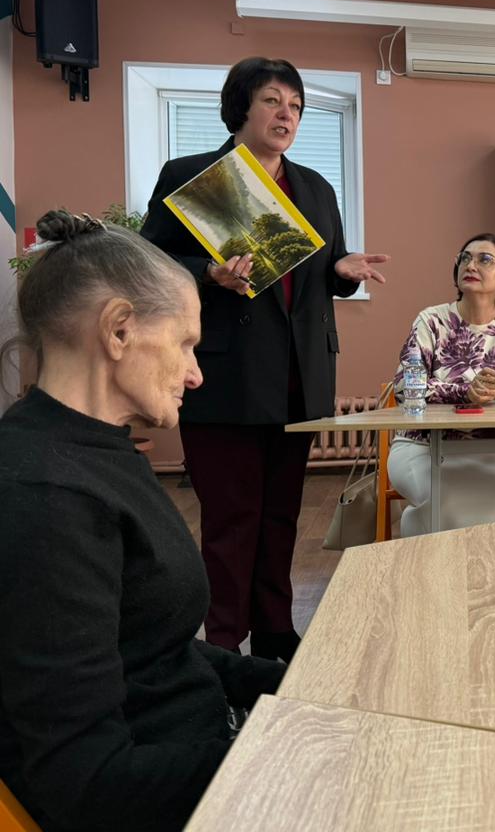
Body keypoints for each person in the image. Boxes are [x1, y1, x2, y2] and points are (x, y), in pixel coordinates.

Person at [0, 211, 285, 832]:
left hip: (209, 747)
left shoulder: (96, 451)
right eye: (185, 343)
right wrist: (294, 756)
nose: (196, 373)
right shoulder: (45, 495)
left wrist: (296, 685)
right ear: (119, 330)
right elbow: (89, 786)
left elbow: (154, 646)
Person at [141, 57, 389, 661]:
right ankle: (225, 642)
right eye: (273, 101)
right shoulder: (194, 175)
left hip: (299, 375)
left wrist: (342, 271)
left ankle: (275, 629)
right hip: (227, 375)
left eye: (296, 106)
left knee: (281, 515)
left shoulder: (316, 187)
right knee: (231, 520)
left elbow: (320, 274)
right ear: (241, 108)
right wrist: (209, 273)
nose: (287, 115)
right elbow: (149, 263)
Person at [387, 233, 495, 535]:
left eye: (484, 259)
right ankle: (424, 561)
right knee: (444, 496)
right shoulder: (431, 320)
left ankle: (489, 565)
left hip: (493, 447)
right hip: (421, 446)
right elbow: (403, 386)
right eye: (465, 258)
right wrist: (466, 392)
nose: (471, 265)